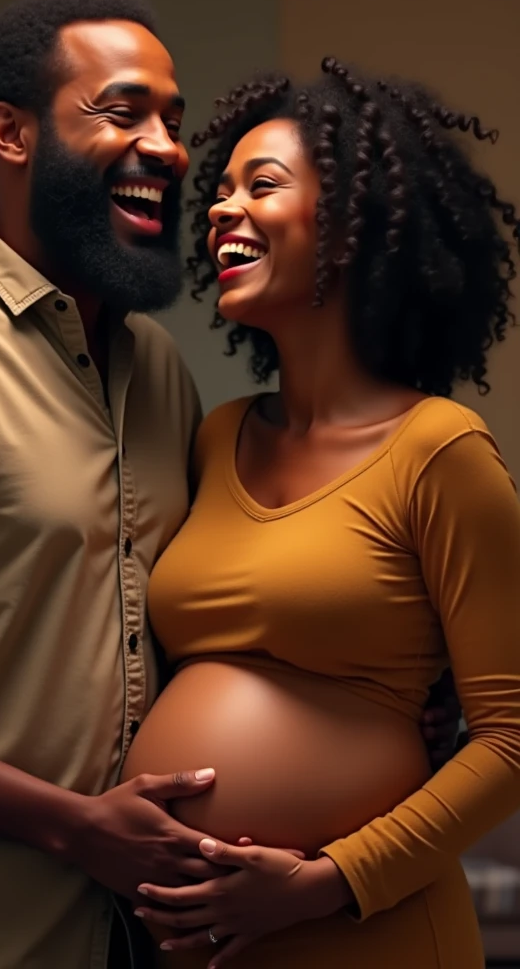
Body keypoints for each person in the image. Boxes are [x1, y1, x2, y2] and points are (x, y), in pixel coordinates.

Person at [0, 0, 458, 968]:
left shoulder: (157, 373)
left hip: (130, 943)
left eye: (173, 120)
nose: (169, 149)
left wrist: (374, 693)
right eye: (122, 112)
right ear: (12, 132)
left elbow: (169, 621)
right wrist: (76, 825)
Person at [120, 59, 520, 968]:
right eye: (219, 192)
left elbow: (511, 739)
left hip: (365, 934)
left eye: (262, 186)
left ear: (356, 229)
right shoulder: (216, 438)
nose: (222, 209)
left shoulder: (439, 451)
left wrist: (324, 881)